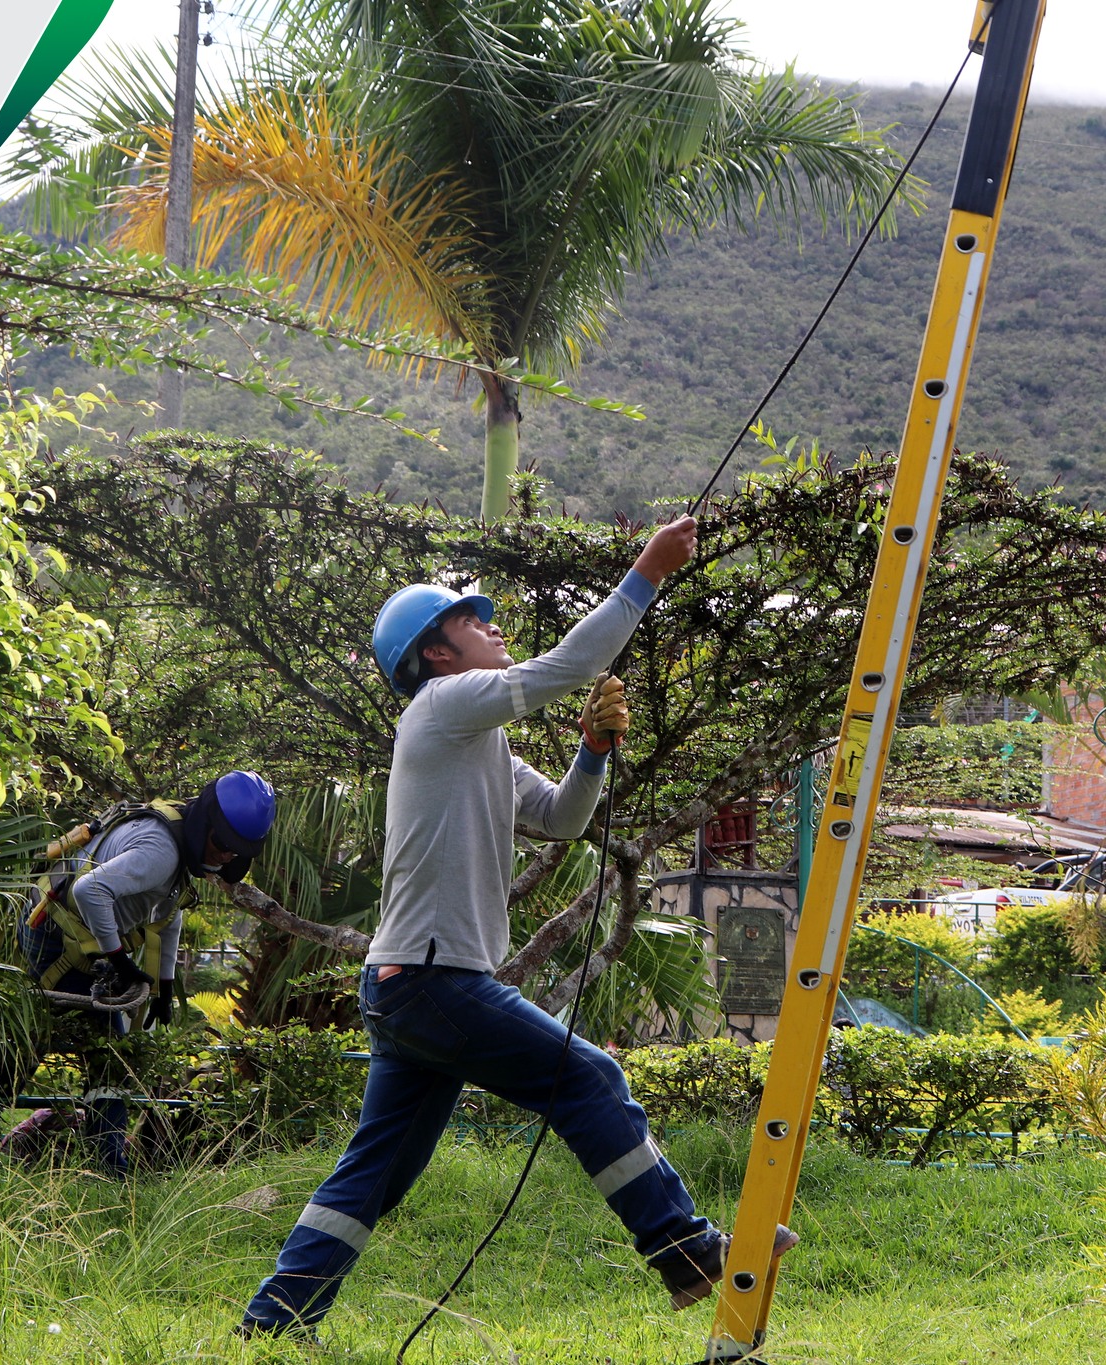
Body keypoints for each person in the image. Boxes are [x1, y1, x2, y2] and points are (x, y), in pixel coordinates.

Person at [241, 515, 790, 1337]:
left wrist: (594, 752)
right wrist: (647, 571)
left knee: (374, 1174)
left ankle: (273, 1323)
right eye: (474, 619)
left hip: (411, 986)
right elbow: (569, 665)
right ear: (436, 652)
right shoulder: (443, 705)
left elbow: (564, 820)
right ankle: (680, 1247)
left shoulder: (478, 740)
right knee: (592, 1078)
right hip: (433, 981)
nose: (493, 626)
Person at [0, 770, 277, 1173]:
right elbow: (89, 891)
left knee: (41, 1034)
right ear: (206, 824)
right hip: (60, 936)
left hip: (61, 922)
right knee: (112, 1051)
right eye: (223, 844)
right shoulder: (161, 851)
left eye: (237, 851)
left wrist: (164, 986)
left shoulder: (180, 842)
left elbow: (168, 915)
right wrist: (122, 964)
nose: (227, 856)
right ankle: (109, 1168)